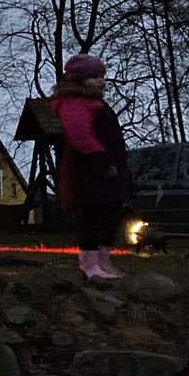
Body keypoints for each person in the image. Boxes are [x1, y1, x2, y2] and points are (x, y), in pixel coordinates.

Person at [52, 54, 129, 280]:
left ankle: (104, 262)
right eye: (93, 77)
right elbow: (80, 136)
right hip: (89, 172)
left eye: (102, 76)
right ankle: (89, 265)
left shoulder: (95, 103)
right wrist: (102, 162)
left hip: (108, 172)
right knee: (93, 218)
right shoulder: (75, 103)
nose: (100, 81)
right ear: (79, 80)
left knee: (110, 216)